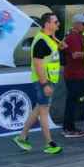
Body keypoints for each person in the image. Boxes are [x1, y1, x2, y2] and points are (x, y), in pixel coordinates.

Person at [13, 13, 64, 154]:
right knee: (43, 111)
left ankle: (22, 137)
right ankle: (49, 143)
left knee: (38, 109)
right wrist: (44, 84)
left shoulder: (48, 38)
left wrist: (56, 40)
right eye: (56, 22)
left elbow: (56, 50)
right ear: (47, 24)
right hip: (45, 81)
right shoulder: (41, 41)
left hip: (49, 80)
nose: (58, 24)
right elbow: (38, 64)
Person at [62, 14, 84, 137]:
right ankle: (68, 128)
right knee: (71, 102)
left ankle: (70, 127)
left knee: (73, 101)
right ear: (76, 24)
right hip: (74, 74)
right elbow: (75, 55)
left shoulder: (78, 36)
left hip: (77, 73)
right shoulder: (73, 37)